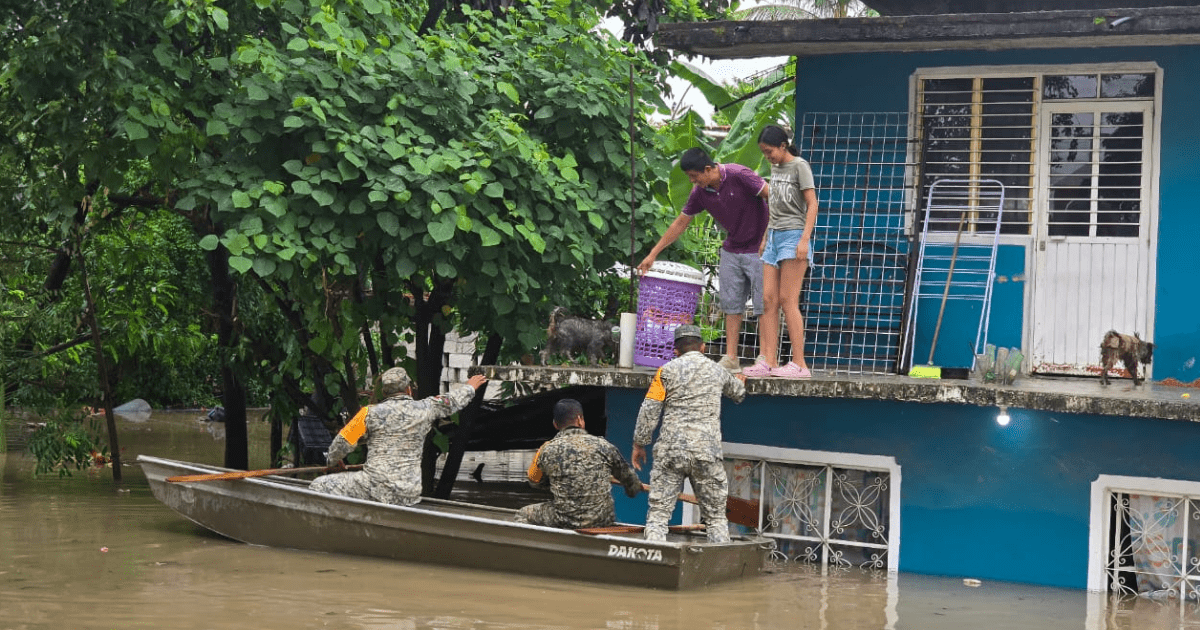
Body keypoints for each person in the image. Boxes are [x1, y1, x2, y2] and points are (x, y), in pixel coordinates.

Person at [637, 148, 769, 373]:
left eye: (694, 175)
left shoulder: (739, 175)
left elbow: (772, 196)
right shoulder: (700, 192)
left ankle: (765, 358)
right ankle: (731, 357)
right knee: (731, 305)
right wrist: (653, 253)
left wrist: (768, 237)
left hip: (758, 249)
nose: (692, 180)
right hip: (731, 248)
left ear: (708, 169)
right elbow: (680, 223)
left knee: (763, 304)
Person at [631, 324, 747, 543]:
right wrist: (740, 382)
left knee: (658, 517)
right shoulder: (717, 370)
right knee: (715, 519)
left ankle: (653, 560)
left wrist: (639, 444)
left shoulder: (665, 372)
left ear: (676, 351)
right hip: (706, 453)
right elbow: (738, 393)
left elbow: (649, 409)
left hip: (671, 452)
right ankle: (721, 568)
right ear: (702, 347)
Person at [310, 368, 487, 506]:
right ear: (409, 389)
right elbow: (452, 401)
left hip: (375, 487)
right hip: (409, 492)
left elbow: (341, 443)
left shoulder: (367, 414)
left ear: (384, 393)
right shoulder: (426, 408)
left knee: (319, 485)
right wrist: (470, 386)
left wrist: (332, 461)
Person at [742, 125, 819, 379]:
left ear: (783, 146)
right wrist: (765, 237)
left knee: (788, 299)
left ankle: (800, 364)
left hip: (794, 235)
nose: (768, 157)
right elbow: (774, 205)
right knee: (767, 300)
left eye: (770, 151)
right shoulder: (774, 168)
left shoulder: (800, 166)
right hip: (774, 237)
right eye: (764, 153)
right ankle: (769, 361)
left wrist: (804, 239)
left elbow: (812, 204)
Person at [514, 399, 644, 529]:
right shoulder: (604, 446)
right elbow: (631, 484)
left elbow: (534, 482)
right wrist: (633, 487)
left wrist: (556, 479)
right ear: (580, 419)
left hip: (565, 519)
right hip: (603, 519)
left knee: (523, 514)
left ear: (555, 424)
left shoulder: (547, 449)